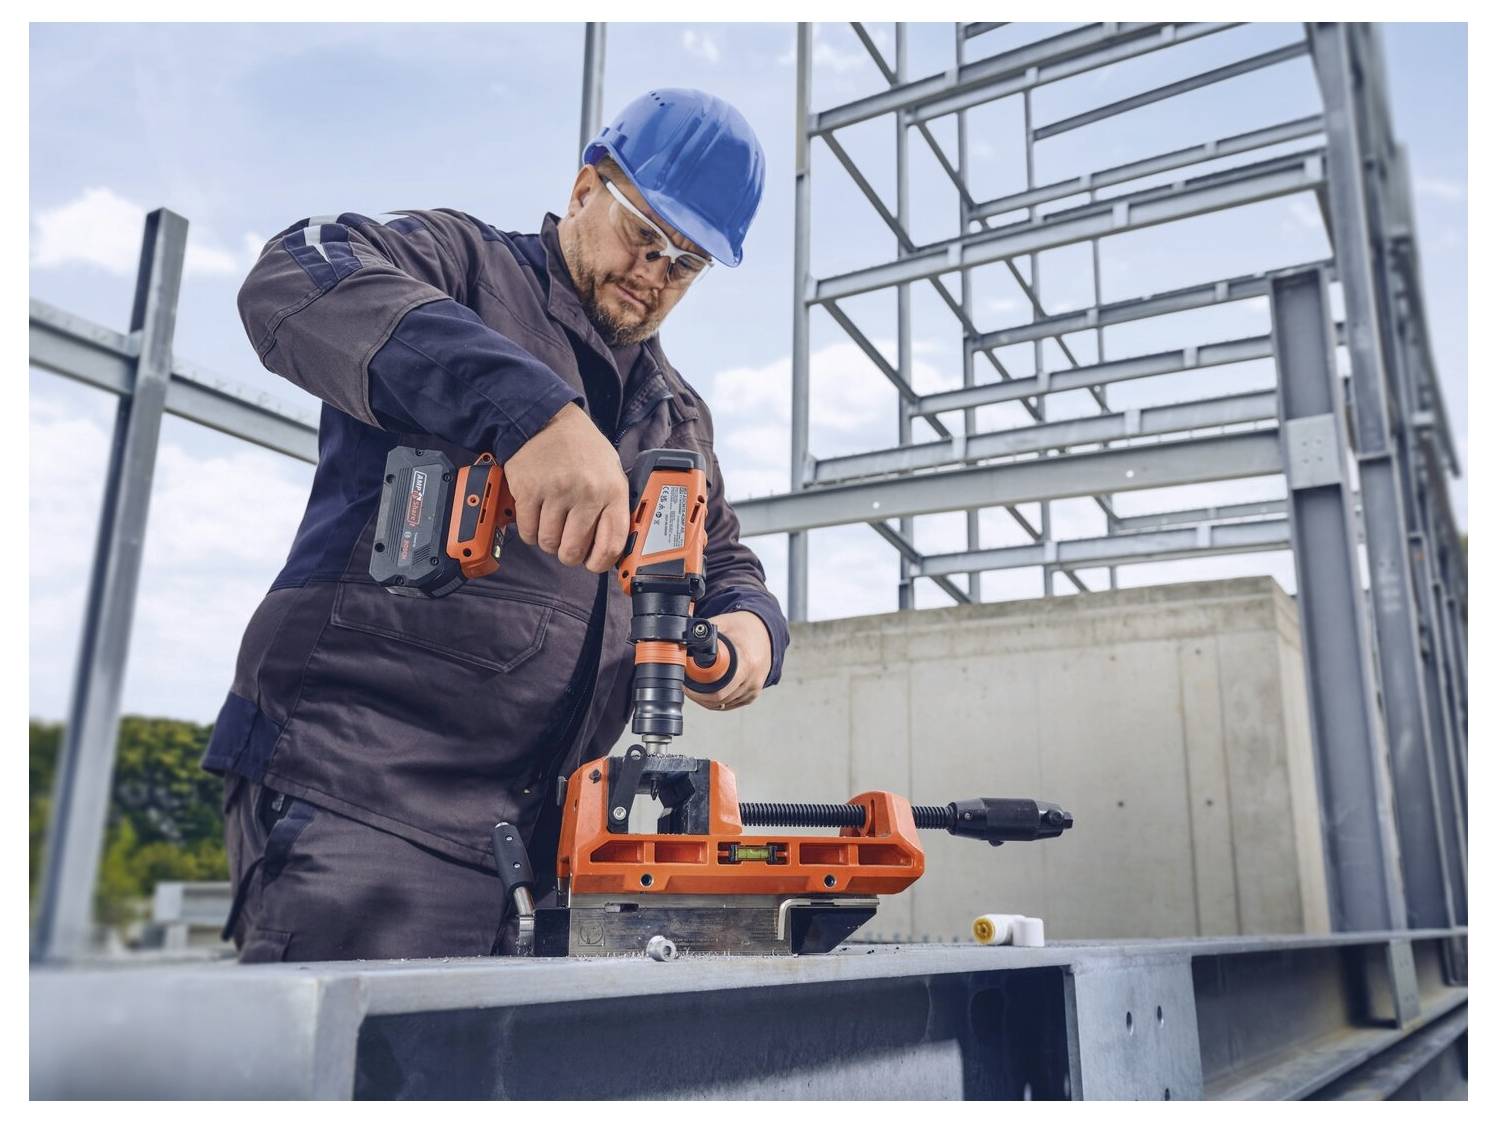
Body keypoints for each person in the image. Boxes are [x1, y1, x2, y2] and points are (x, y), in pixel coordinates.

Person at [202, 88, 789, 963]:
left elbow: (727, 562)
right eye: (646, 236)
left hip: (543, 849)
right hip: (366, 802)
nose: (656, 273)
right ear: (587, 186)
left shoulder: (673, 416)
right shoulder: (459, 267)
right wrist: (528, 412)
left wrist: (751, 632)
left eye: (686, 262)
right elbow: (293, 276)